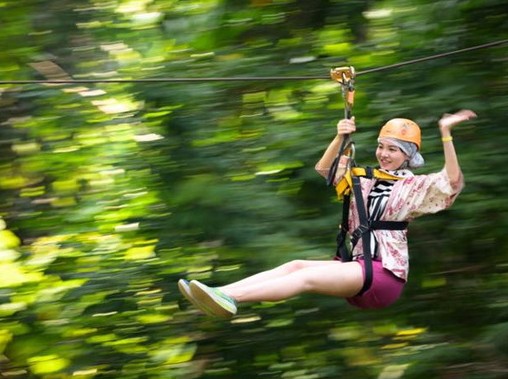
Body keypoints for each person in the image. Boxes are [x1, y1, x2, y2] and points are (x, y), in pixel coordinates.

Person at [178, 109, 477, 318]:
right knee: (296, 265)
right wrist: (339, 137)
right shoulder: (366, 178)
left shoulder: (414, 187)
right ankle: (218, 292)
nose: (384, 154)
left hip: (383, 273)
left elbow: (450, 182)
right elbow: (326, 170)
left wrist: (446, 133)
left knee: (306, 278)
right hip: (361, 266)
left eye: (393, 150)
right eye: (381, 146)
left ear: (408, 156)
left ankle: (232, 298)